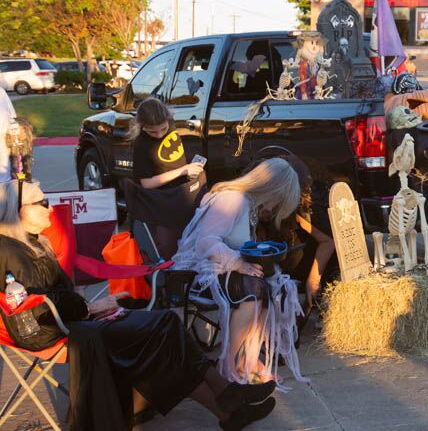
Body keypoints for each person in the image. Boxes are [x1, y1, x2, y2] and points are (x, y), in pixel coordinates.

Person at [0, 180, 277, 430]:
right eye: (42, 203)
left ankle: (228, 405)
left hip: (72, 318)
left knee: (165, 332)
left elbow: (57, 295)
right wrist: (91, 308)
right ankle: (227, 399)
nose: (51, 209)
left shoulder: (32, 243)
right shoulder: (10, 253)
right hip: (55, 331)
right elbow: (35, 311)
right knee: (163, 334)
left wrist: (86, 304)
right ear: (18, 211)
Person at [173, 158, 306, 384]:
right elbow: (206, 242)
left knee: (270, 286)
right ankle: (231, 364)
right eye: (278, 202)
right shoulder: (231, 200)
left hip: (222, 268)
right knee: (252, 289)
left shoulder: (247, 203)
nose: (274, 208)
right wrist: (237, 262)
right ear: (271, 189)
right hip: (198, 272)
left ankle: (249, 359)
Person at [253, 154, 337, 309]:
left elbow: (328, 241)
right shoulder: (250, 203)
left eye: (266, 208)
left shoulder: (298, 205)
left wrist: (313, 282)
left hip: (320, 255)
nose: (264, 212)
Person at [128, 97, 205, 258]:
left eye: (163, 129)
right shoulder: (141, 144)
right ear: (142, 126)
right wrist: (182, 171)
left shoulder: (171, 125)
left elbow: (175, 161)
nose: (159, 134)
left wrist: (189, 171)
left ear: (168, 119)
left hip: (183, 195)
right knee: (169, 247)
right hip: (162, 203)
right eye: (152, 131)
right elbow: (146, 183)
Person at [0, 89, 18, 181]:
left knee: (3, 161)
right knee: (3, 162)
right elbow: (11, 114)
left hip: (2, 129)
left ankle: (4, 182)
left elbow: (11, 114)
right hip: (3, 128)